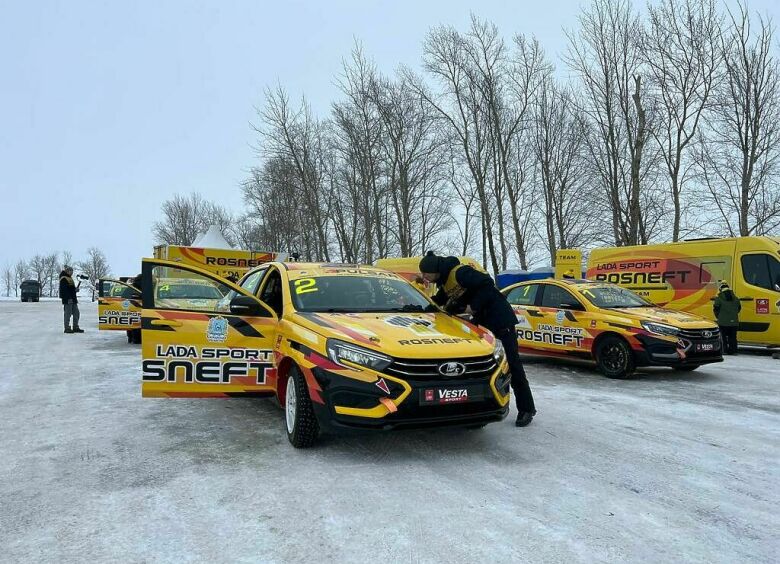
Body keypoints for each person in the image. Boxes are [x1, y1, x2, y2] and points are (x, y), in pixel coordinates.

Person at [418, 251, 537, 427]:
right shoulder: (445, 282)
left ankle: (527, 409)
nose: (424, 276)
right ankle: (481, 408)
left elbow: (487, 284)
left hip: (500, 321)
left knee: (512, 365)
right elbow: (438, 301)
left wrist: (473, 306)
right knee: (482, 370)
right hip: (482, 326)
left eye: (425, 273)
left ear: (434, 269)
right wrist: (417, 305)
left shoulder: (460, 272)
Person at [713, 282, 741, 355]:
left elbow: (716, 309)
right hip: (734, 322)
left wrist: (718, 316)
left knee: (723, 337)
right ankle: (733, 351)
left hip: (723, 322)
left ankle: (724, 350)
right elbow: (739, 308)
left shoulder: (718, 298)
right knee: (733, 337)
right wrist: (733, 315)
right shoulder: (736, 298)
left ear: (721, 289)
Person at [59, 266, 83, 334]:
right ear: (67, 271)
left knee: (76, 313)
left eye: (72, 271)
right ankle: (67, 328)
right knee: (68, 314)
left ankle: (75, 327)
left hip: (73, 299)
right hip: (68, 299)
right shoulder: (63, 278)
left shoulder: (70, 278)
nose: (72, 272)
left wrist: (75, 290)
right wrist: (68, 298)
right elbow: (64, 290)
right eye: (70, 271)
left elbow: (70, 289)